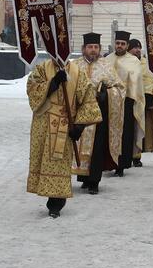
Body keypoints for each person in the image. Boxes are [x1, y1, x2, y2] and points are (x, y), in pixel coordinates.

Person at [26, 54, 102, 216]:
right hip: (44, 125)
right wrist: (52, 84)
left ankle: (56, 202)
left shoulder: (77, 72)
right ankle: (49, 196)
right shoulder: (42, 68)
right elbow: (32, 88)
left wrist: (79, 126)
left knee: (59, 162)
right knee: (44, 160)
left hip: (65, 125)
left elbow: (88, 100)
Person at [72, 33, 126, 194]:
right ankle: (84, 178)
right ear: (84, 49)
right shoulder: (75, 66)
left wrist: (107, 95)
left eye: (96, 47)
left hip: (98, 114)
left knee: (96, 148)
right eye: (90, 47)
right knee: (79, 144)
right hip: (79, 113)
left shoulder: (106, 66)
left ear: (99, 49)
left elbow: (120, 88)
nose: (93, 50)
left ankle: (94, 181)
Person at [105, 31, 145, 176]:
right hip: (108, 102)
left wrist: (129, 97)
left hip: (126, 102)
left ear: (127, 45)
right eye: (118, 43)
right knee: (108, 133)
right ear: (114, 44)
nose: (120, 46)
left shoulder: (134, 61)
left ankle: (121, 165)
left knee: (124, 134)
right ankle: (108, 161)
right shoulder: (107, 59)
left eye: (123, 44)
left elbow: (136, 83)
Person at [128, 38, 153, 161]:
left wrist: (149, 96)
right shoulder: (126, 62)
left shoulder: (146, 63)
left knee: (139, 128)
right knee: (129, 129)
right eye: (135, 47)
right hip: (129, 100)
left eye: (139, 47)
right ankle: (127, 154)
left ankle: (137, 156)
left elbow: (150, 80)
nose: (137, 50)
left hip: (143, 100)